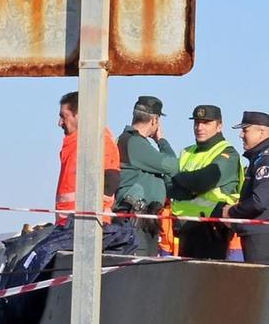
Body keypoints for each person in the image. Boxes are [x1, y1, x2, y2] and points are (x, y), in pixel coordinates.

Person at [170, 104, 243, 260]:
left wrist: (178, 179)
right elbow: (168, 183)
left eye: (206, 123)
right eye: (197, 122)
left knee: (209, 281)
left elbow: (203, 181)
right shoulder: (187, 151)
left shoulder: (227, 153)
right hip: (185, 228)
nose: (199, 127)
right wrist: (184, 185)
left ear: (219, 126)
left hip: (212, 230)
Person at [114, 96, 176, 255]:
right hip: (136, 224)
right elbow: (172, 165)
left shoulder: (133, 142)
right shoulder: (134, 142)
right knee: (138, 273)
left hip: (144, 222)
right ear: (155, 120)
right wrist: (161, 140)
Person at [54, 90, 121, 225]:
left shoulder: (98, 140)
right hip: (68, 223)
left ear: (78, 115)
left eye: (64, 116)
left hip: (85, 223)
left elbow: (111, 178)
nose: (59, 122)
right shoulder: (74, 143)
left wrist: (92, 213)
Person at [223, 111, 269, 265]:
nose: (241, 135)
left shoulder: (265, 160)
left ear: (262, 132)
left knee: (261, 285)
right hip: (258, 234)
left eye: (245, 130)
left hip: (261, 237)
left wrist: (231, 211)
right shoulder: (258, 158)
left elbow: (259, 201)